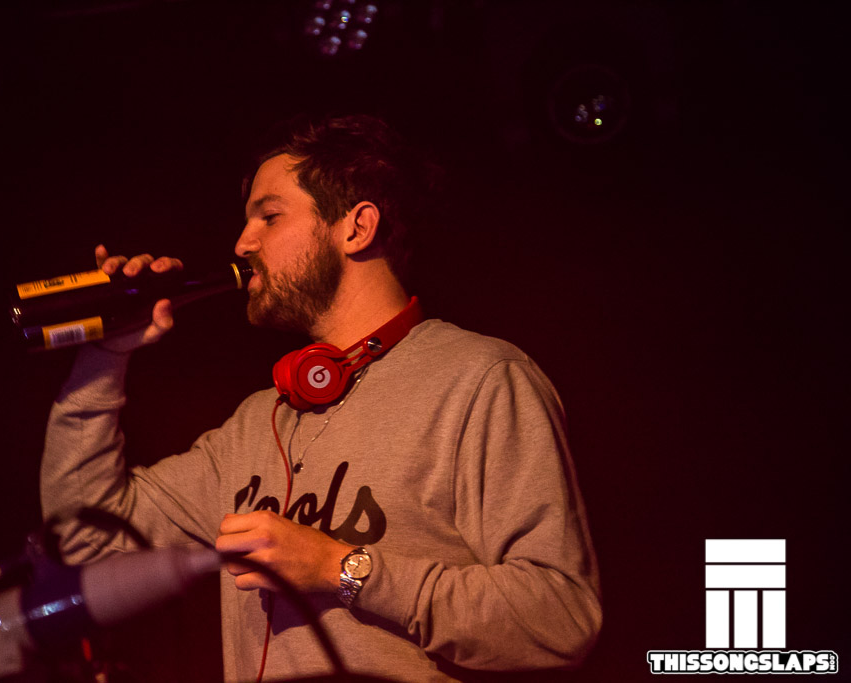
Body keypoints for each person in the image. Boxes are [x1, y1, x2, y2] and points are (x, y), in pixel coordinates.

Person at [41, 114, 601, 681]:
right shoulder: (258, 422)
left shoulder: (480, 379)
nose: (242, 243)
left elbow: (557, 617)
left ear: (355, 228)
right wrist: (104, 358)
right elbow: (86, 539)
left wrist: (340, 568)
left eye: (270, 216)